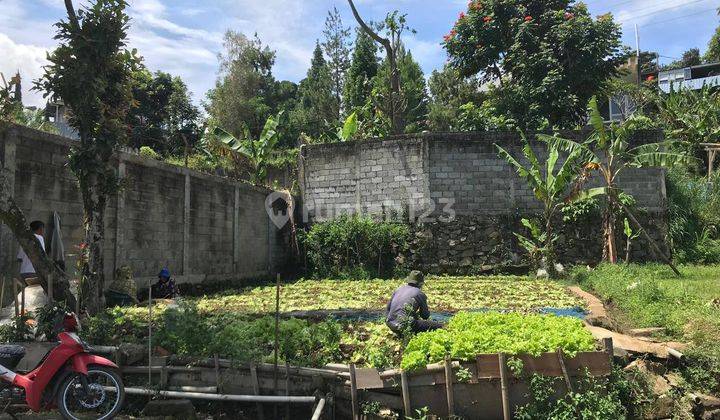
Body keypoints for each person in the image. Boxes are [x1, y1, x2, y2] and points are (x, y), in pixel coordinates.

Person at [386, 271, 443, 336]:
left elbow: (388, 309)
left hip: (390, 324)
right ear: (420, 284)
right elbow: (425, 316)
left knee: (411, 319)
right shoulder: (419, 293)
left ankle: (399, 334)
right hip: (404, 326)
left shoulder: (398, 289)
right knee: (439, 326)